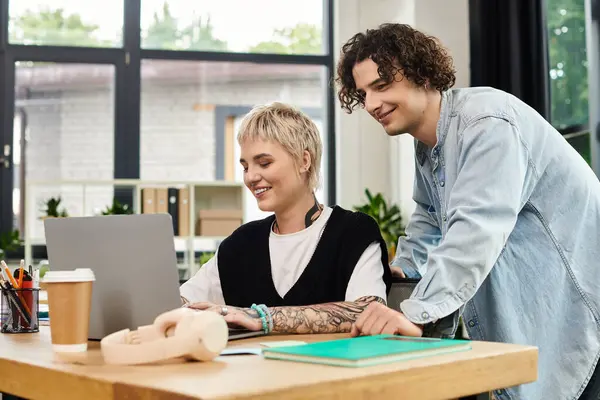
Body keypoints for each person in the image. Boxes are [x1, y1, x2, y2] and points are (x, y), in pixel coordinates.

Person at [335, 23, 600, 400]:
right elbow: (428, 218)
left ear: (422, 73)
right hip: (537, 323)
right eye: (363, 94)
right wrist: (401, 273)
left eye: (381, 85)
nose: (372, 104)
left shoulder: (488, 123)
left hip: (581, 316)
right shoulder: (430, 145)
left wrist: (417, 313)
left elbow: (475, 228)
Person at [179, 102, 392, 335]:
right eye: (245, 166)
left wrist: (260, 317)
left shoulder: (354, 232)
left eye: (264, 163)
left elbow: (366, 311)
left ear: (304, 161)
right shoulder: (241, 244)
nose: (251, 177)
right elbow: (183, 302)